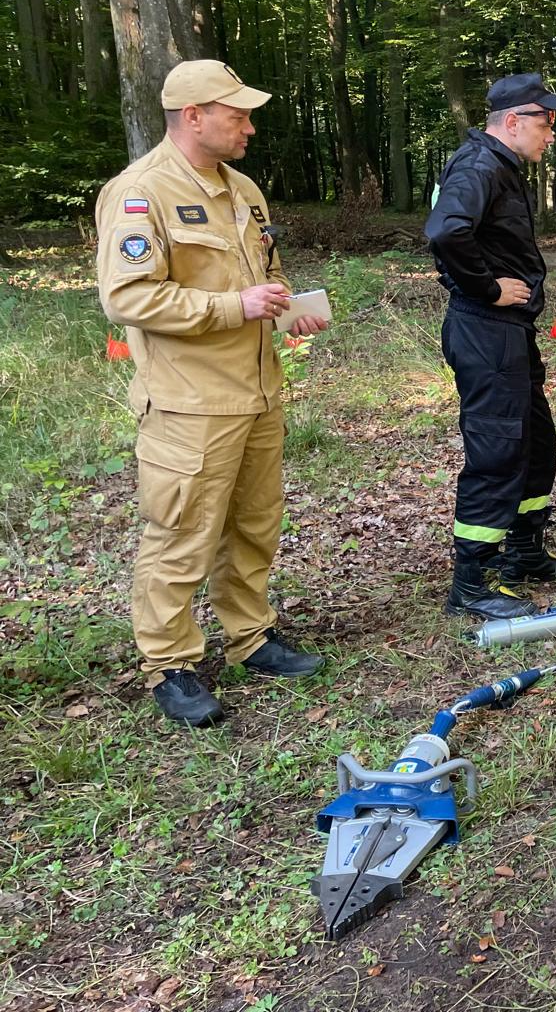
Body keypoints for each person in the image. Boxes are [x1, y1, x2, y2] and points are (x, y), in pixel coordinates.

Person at [96, 59, 328, 727]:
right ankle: (169, 663)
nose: (249, 127)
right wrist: (235, 306)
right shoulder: (141, 192)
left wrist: (286, 308)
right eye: (238, 115)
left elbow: (264, 273)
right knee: (182, 534)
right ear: (193, 116)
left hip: (257, 394)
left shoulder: (243, 190)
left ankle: (251, 636)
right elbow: (128, 297)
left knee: (254, 524)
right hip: (188, 403)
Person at [425, 74, 556, 620]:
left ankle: (523, 552)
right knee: (498, 449)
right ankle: (471, 582)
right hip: (485, 329)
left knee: (534, 440)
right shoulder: (478, 166)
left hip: (510, 332)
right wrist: (487, 288)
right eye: (546, 122)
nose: (551, 135)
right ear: (512, 121)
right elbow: (446, 231)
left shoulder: (501, 166)